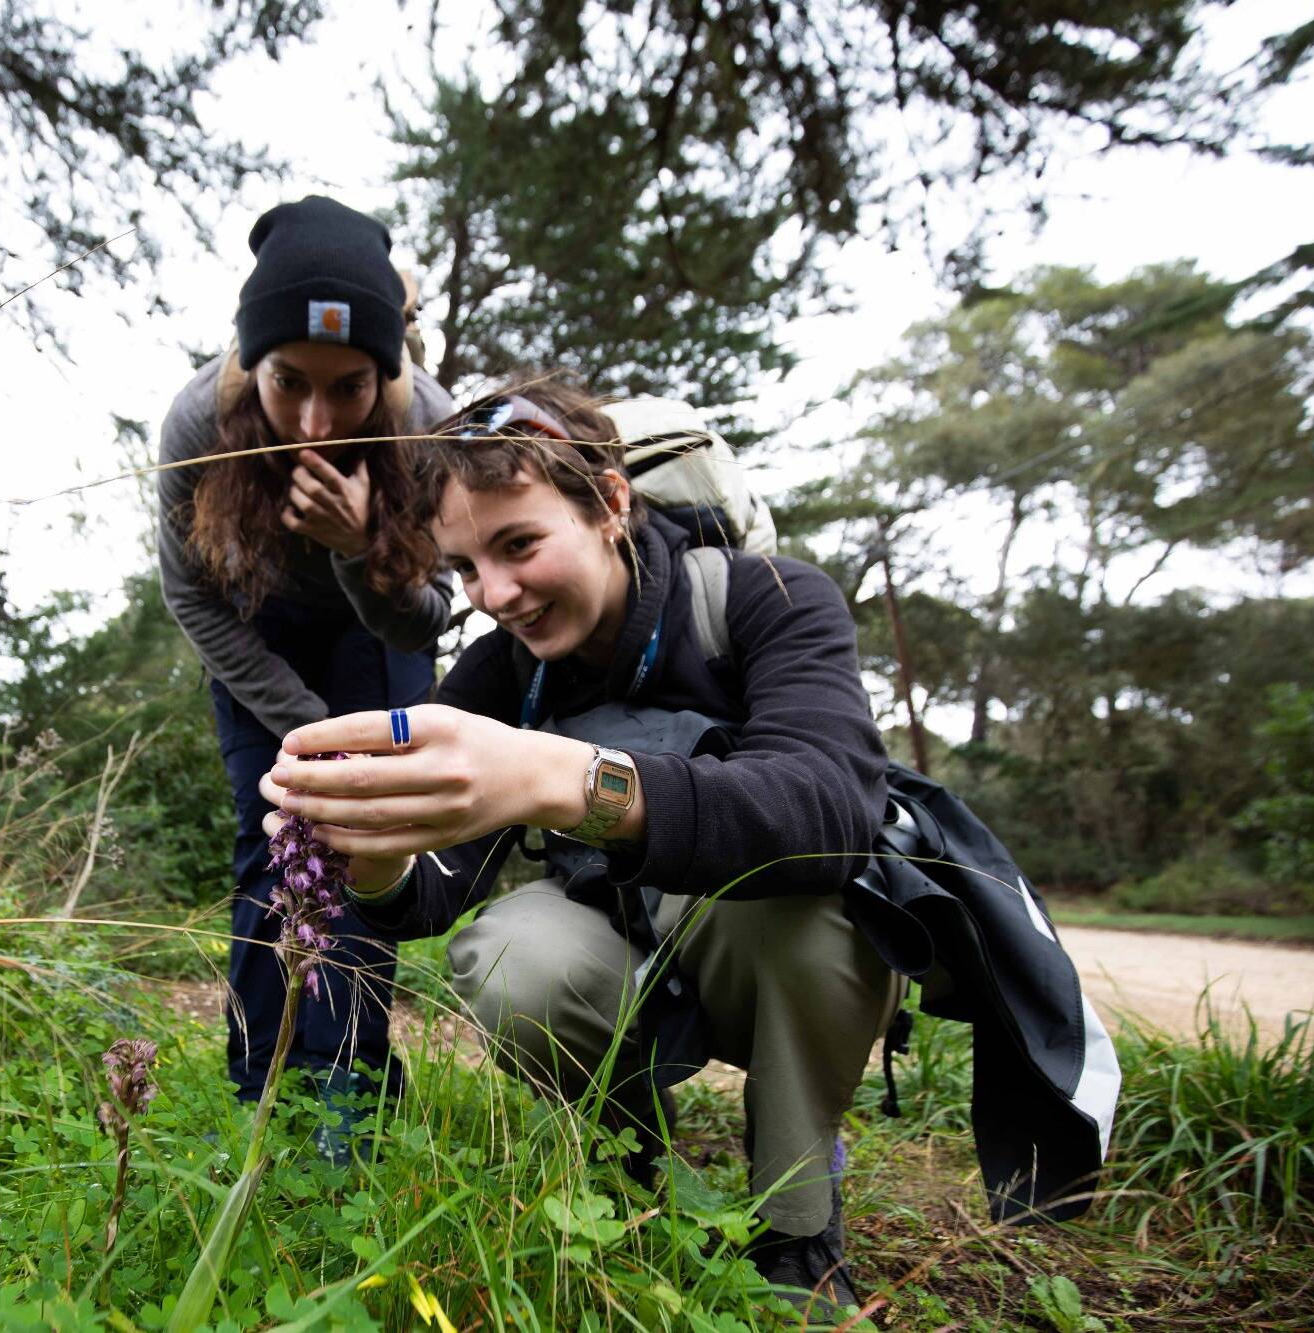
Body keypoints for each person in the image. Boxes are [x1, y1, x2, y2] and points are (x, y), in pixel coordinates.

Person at [257, 379, 900, 1309]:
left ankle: (796, 1227)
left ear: (609, 501)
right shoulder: (495, 672)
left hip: (759, 939)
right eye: (467, 567)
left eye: (519, 544)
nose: (498, 595)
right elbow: (440, 891)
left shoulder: (769, 599)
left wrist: (557, 779)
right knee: (512, 954)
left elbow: (833, 811)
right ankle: (635, 1175)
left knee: (820, 924)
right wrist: (377, 851)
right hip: (616, 939)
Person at [156, 196, 456, 1129]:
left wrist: (362, 547)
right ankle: (264, 1084)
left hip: (376, 629)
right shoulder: (198, 424)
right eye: (290, 382)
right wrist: (304, 721)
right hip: (258, 633)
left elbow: (429, 619)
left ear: (387, 374)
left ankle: (350, 1088)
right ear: (252, 363)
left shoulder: (431, 432)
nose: (317, 421)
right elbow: (191, 594)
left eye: (349, 387)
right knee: (277, 828)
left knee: (369, 837)